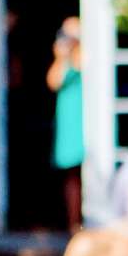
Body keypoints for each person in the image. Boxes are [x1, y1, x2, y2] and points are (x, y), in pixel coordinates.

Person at [47, 17, 86, 232]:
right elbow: (53, 81)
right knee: (71, 174)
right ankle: (74, 222)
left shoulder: (86, 54)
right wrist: (62, 57)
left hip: (86, 116)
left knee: (88, 169)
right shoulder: (63, 58)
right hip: (69, 117)